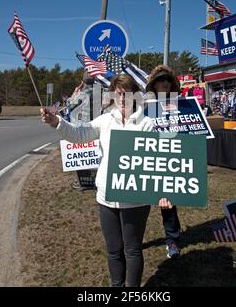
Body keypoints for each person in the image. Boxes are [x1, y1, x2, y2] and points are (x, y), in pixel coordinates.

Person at [40, 75, 153, 287]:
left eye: (127, 93)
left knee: (132, 250)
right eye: (118, 93)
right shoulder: (105, 120)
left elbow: (157, 162)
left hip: (136, 200)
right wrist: (56, 122)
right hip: (106, 198)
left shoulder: (147, 124)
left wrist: (164, 193)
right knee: (113, 249)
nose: (122, 98)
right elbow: (79, 134)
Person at [146, 65, 182, 259]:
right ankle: (132, 240)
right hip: (148, 159)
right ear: (154, 84)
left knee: (168, 203)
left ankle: (172, 240)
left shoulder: (181, 104)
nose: (165, 83)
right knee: (139, 203)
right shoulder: (144, 106)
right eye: (161, 80)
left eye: (168, 80)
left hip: (171, 161)